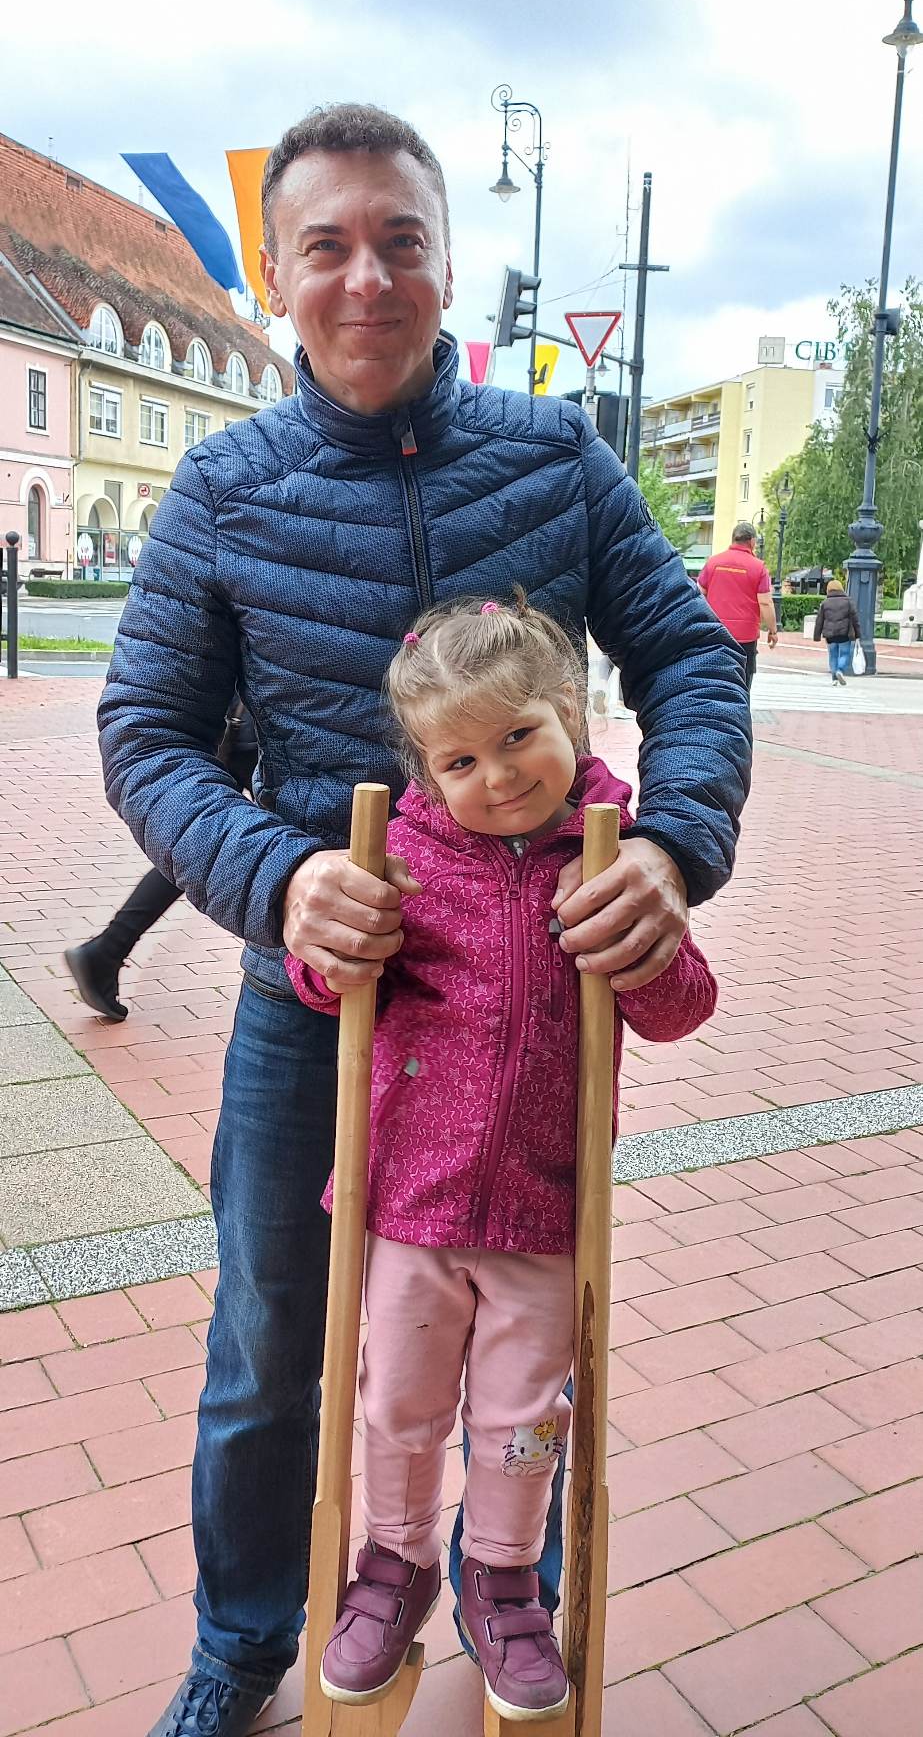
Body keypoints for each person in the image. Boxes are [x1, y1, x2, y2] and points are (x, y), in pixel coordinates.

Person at [96, 102, 751, 1737]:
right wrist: (274, 875)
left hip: (526, 1011)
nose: (366, 277)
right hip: (316, 996)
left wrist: (671, 845)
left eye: (400, 240)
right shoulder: (224, 487)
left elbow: (686, 657)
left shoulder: (553, 458)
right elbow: (147, 733)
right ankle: (246, 1639)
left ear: (449, 264)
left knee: (530, 1332)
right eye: (326, 245)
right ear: (277, 275)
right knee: (272, 1346)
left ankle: (503, 1587)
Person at [285, 591, 717, 1719]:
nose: (498, 774)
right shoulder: (402, 855)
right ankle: (394, 1560)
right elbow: (325, 987)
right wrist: (333, 947)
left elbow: (680, 1008)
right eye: (460, 759)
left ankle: (504, 1578)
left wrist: (640, 941)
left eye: (518, 733)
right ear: (425, 773)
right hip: (410, 1204)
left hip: (542, 1207)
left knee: (524, 1416)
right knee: (397, 1401)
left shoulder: (613, 855)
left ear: (569, 709)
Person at [65, 699, 258, 1021]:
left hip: (245, 729)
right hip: (266, 737)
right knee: (219, 845)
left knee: (201, 843)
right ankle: (107, 950)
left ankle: (108, 949)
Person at [698, 521, 777, 690]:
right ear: (752, 542)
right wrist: (773, 630)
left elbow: (700, 593)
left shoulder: (713, 562)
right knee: (742, 683)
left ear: (733, 539)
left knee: (714, 678)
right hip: (745, 637)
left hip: (716, 631)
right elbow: (765, 602)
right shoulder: (758, 567)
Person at [813, 578, 861, 685]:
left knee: (833, 655)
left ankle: (834, 678)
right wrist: (858, 634)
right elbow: (855, 619)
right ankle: (840, 670)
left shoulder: (825, 603)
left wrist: (817, 635)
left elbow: (819, 620)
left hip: (830, 635)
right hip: (844, 634)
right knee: (844, 654)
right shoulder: (848, 602)